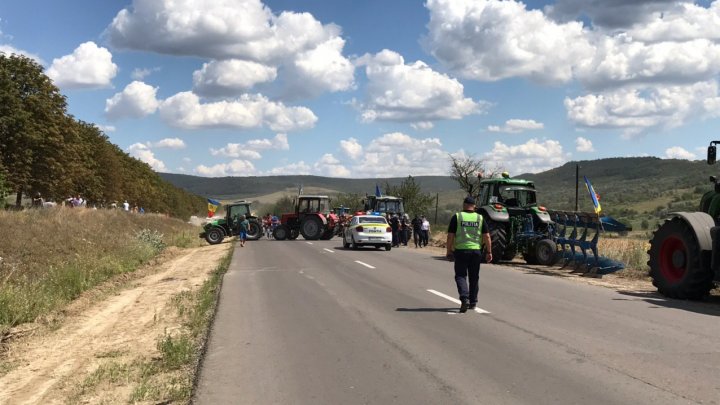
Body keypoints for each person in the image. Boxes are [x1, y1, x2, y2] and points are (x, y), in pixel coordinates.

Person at [446, 196, 492, 313]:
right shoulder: (480, 218)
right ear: (474, 206)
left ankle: (464, 298)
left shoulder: (457, 217)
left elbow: (450, 235)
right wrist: (489, 251)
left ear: (464, 205)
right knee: (474, 277)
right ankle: (473, 302)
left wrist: (449, 251)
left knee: (460, 276)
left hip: (461, 251)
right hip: (476, 251)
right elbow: (486, 236)